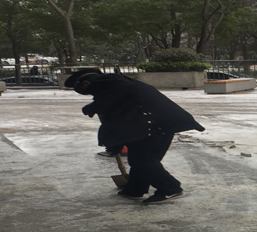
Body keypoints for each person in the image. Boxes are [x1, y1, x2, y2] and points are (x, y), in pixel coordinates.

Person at [65, 69, 205, 204]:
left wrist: (96, 106)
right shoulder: (110, 89)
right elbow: (117, 120)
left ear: (85, 83)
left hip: (159, 124)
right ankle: (135, 189)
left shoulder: (110, 83)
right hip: (151, 124)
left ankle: (171, 189)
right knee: (138, 158)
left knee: (143, 160)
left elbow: (120, 95)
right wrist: (115, 142)